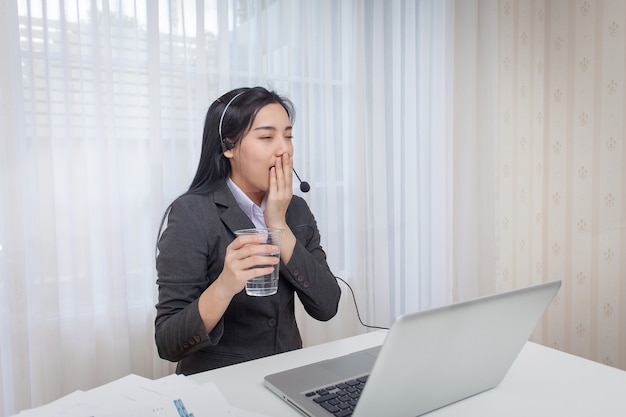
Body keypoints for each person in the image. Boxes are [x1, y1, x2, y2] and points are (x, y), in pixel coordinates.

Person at [154, 86, 342, 375]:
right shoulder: (192, 213)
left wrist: (278, 224)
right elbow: (169, 343)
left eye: (288, 136)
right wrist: (225, 284)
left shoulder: (296, 210)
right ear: (228, 146)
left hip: (286, 378)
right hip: (218, 386)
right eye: (267, 137)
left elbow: (327, 306)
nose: (284, 149)